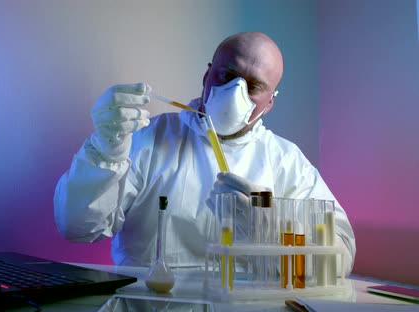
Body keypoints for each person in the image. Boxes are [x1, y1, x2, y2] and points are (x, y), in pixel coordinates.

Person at [53, 31, 356, 275]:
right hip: (152, 303)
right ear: (207, 76)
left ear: (269, 103)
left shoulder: (286, 162)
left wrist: (271, 227)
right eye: (228, 75)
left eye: (253, 86)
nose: (235, 91)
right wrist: (106, 150)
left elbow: (340, 257)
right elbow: (76, 226)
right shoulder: (150, 137)